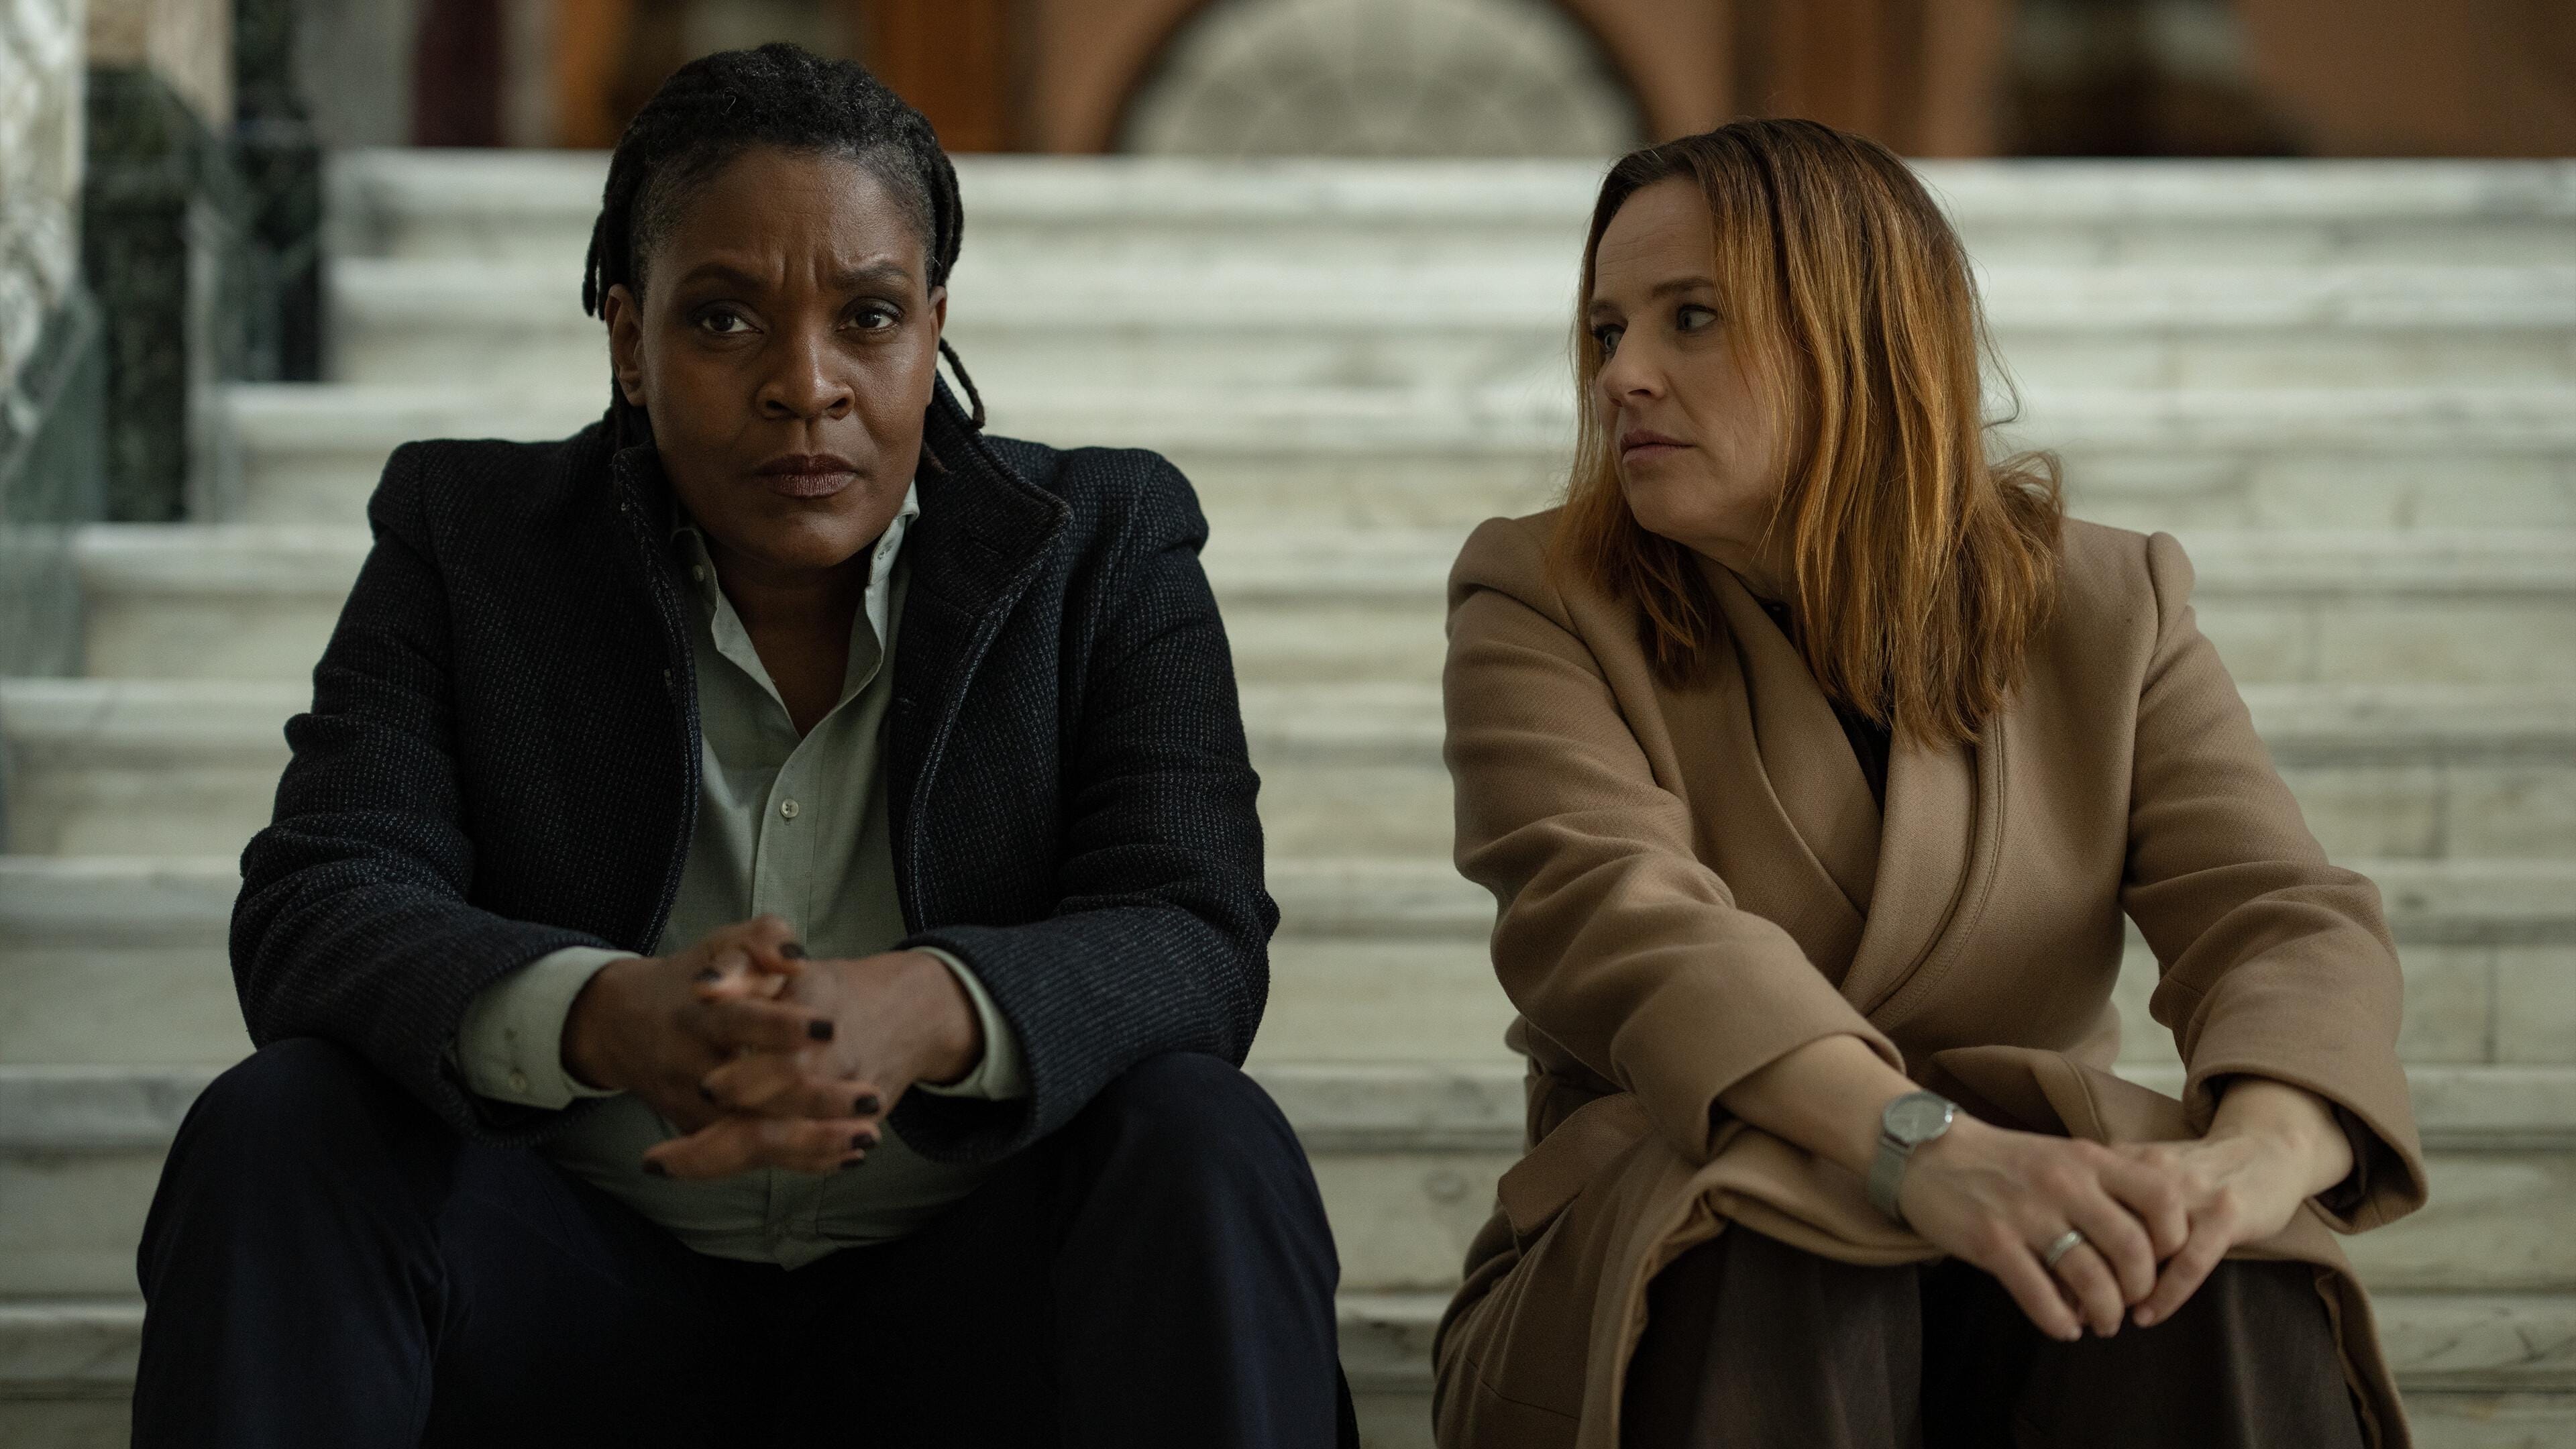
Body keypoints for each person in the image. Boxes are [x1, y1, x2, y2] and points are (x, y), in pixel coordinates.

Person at [132, 44, 1351, 1448]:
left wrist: (931, 1008)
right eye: (722, 320)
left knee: (1206, 1139)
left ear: (934, 326)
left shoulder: (1104, 546)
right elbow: (322, 902)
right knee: (282, 1124)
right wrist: (604, 1016)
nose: (805, 385)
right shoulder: (467, 540)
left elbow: (1195, 929)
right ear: (626, 340)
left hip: (982, 1318)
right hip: (570, 1312)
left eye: (870, 316)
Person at [1430, 119, 2426, 1449]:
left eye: (1692, 318)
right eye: (1609, 331)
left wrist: (2251, 1164)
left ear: (1862, 336)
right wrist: (1918, 1149)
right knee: (1771, 1224)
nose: (1624, 376)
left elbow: (2280, 918)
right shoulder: (1541, 595)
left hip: (2047, 1245)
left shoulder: (2106, 602)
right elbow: (1621, 920)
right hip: (1675, 1257)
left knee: (2199, 1266)